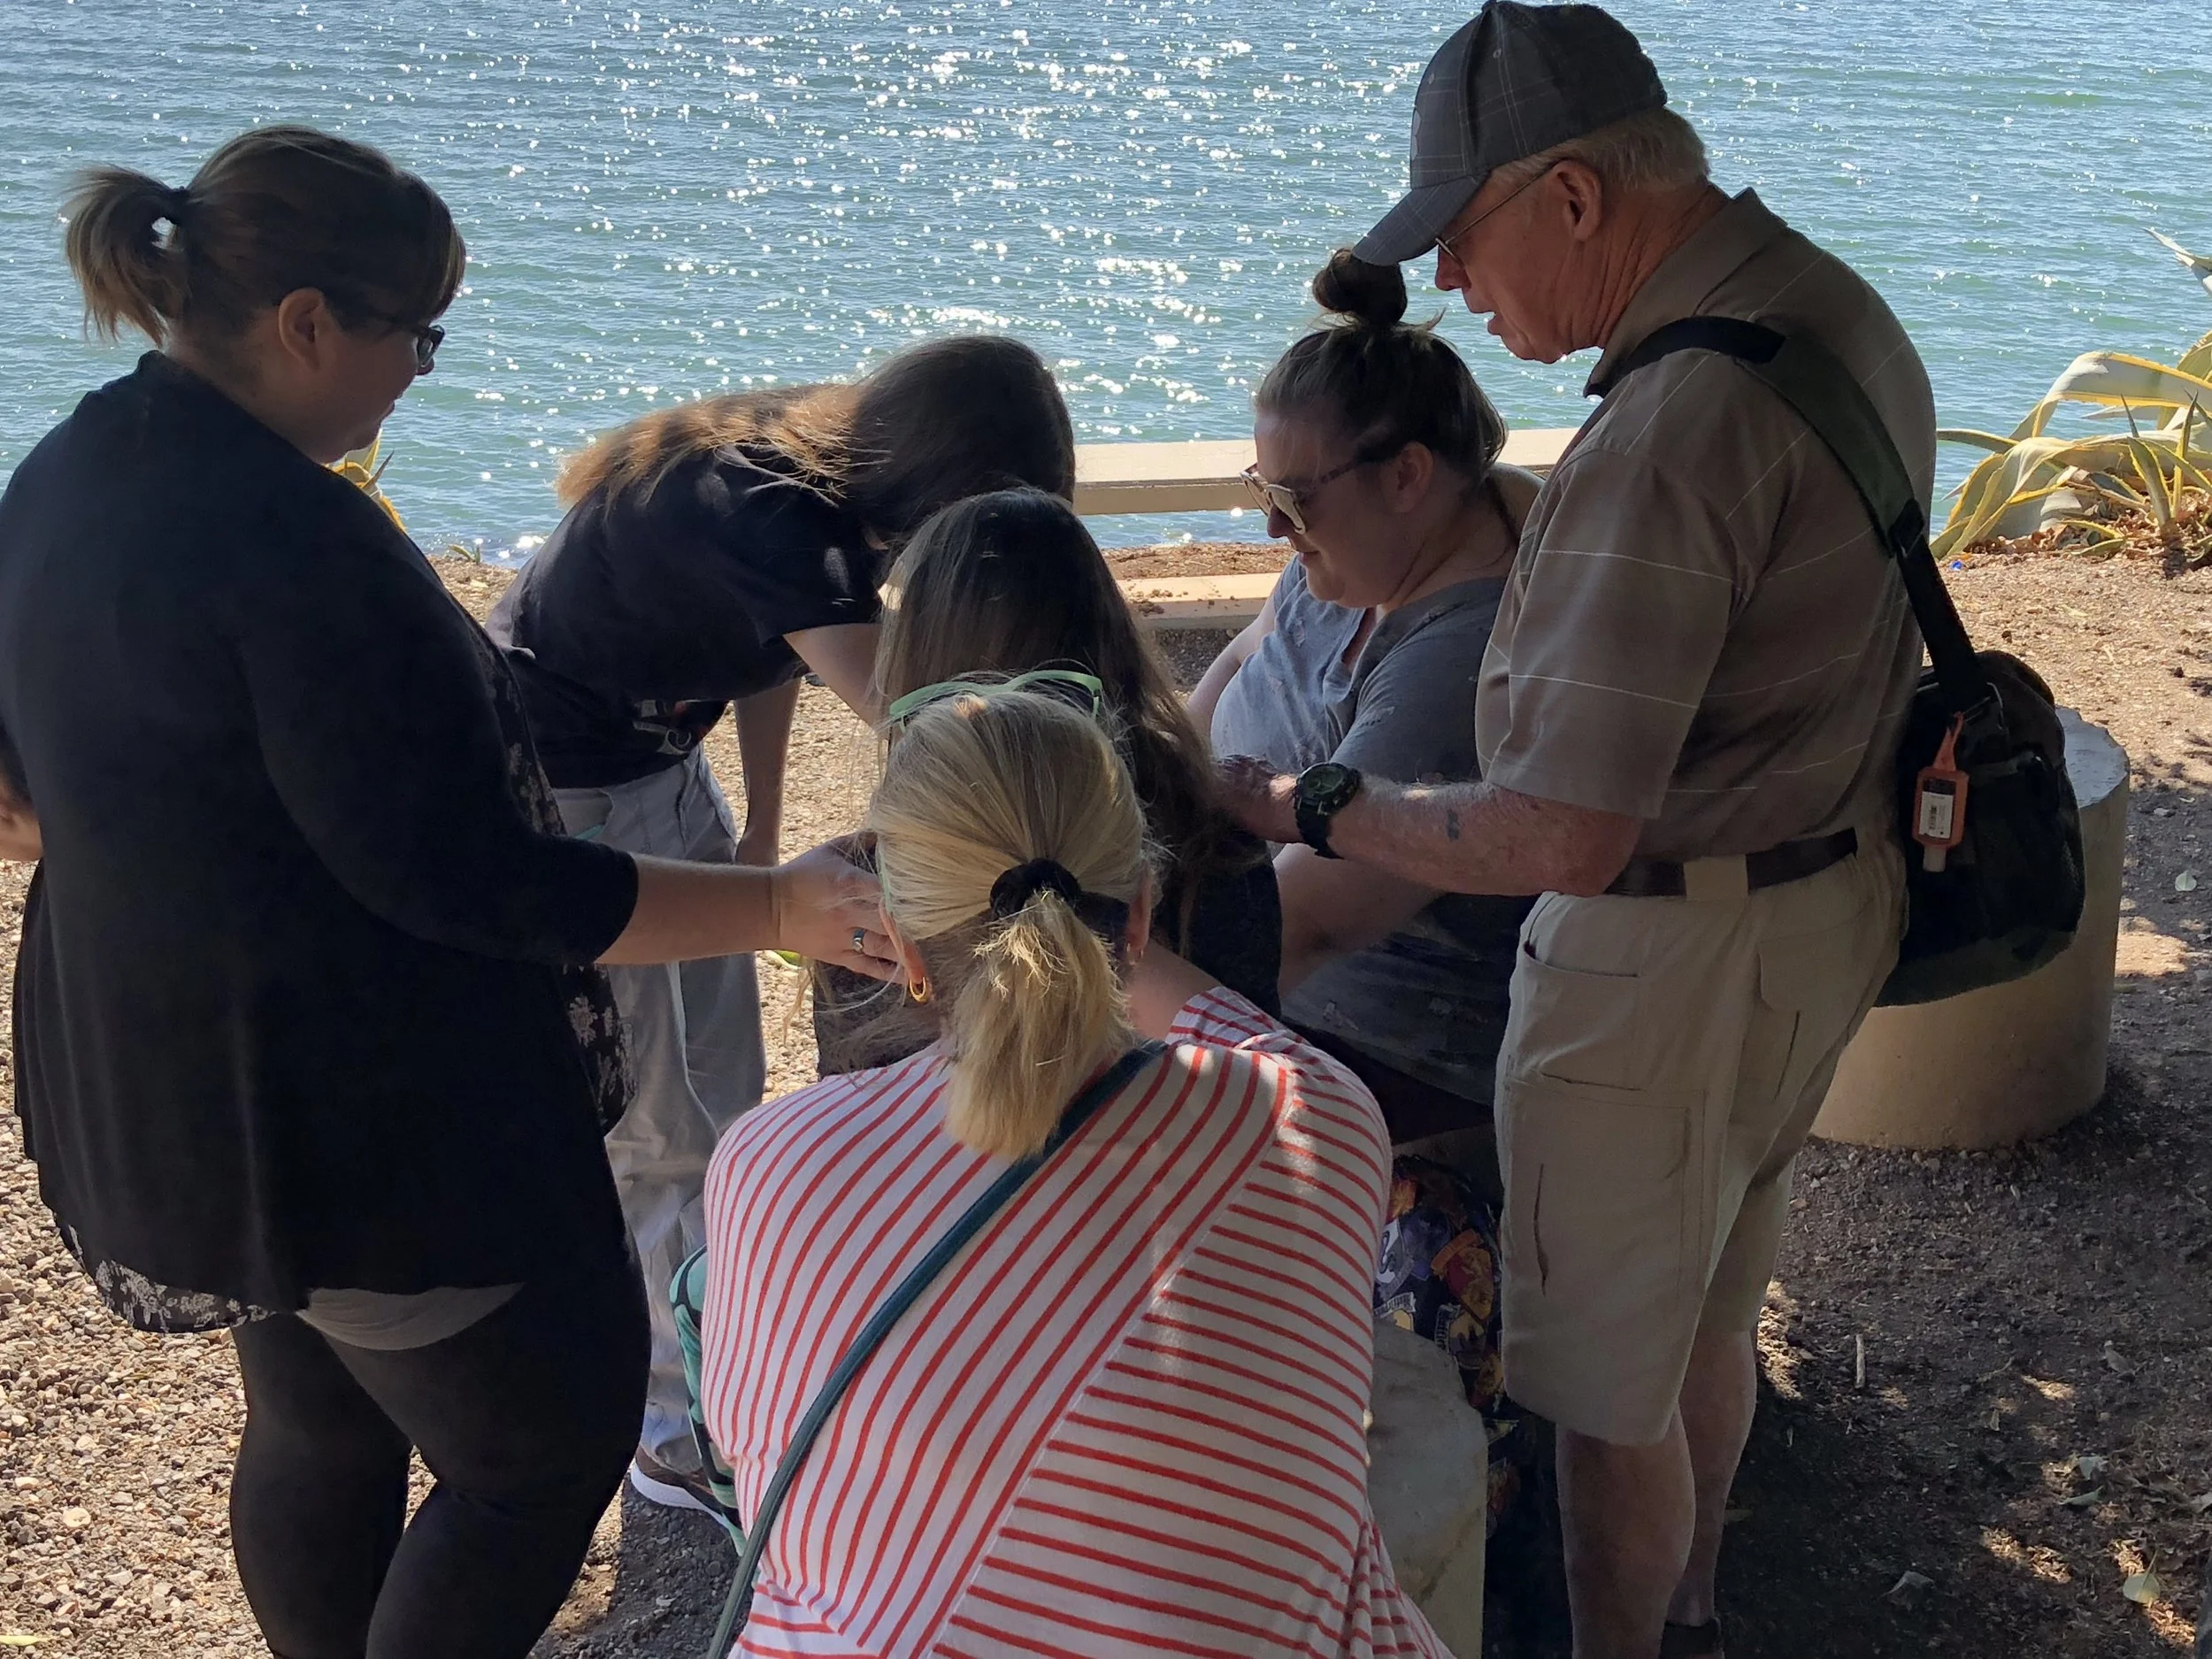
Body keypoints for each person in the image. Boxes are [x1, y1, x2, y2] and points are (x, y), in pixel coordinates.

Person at [0, 127, 889, 1659]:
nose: (421, 371)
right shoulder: (304, 551)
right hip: (368, 1126)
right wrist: (783, 906)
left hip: (160, 1086)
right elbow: (481, 883)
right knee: (537, 1452)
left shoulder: (72, 471)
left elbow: (24, 790)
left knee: (319, 1423)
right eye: (417, 336)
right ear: (304, 325)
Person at [1218, 7, 1932, 1656]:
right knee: (1701, 1320)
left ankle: (1637, 1630)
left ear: (1573, 201)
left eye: (1464, 240)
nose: (1459, 289)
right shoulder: (1822, 305)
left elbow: (1566, 830)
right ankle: (1697, 1607)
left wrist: (1307, 802)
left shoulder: (1669, 429)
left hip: (1667, 967)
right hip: (1820, 893)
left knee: (1605, 1410)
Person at [698, 689, 1452, 1658]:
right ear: (1142, 915)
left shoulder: (768, 1162)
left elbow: (748, 1459)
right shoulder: (1314, 1120)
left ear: (895, 934)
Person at [485, 336, 1075, 1510]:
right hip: (572, 784)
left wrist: (757, 827)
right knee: (658, 1121)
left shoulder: (813, 497)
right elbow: (911, 719)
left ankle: (733, 1353)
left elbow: (768, 655)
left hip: (656, 759)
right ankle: (672, 1428)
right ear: (941, 481)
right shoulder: (768, 508)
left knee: (725, 1089)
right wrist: (1053, 816)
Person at [1192, 246, 1538, 1162]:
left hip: (1374, 1051)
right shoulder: (1348, 557)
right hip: (1264, 977)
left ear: (1405, 476)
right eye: (1262, 491)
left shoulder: (1463, 656)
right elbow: (1235, 668)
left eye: (1293, 498)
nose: (1271, 526)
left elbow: (1310, 920)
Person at [811, 486, 1280, 1072]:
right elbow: (1261, 1075)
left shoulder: (860, 898)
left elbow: (851, 1124)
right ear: (1114, 657)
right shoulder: (1217, 847)